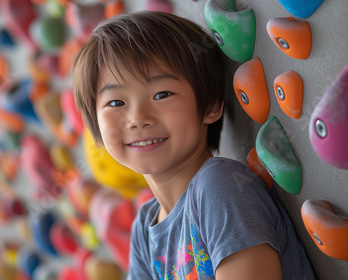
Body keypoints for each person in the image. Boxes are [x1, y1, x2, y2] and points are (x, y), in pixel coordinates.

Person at [72, 10, 316, 280]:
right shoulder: (144, 228)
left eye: (161, 94)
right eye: (116, 102)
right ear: (95, 124)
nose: (137, 119)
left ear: (210, 105)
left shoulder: (217, 188)